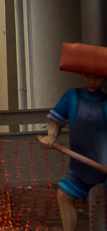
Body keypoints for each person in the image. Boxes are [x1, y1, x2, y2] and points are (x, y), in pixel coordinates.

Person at [39, 69, 107, 231]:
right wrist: (51, 137)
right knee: (64, 196)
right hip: (79, 168)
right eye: (87, 76)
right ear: (81, 75)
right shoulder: (71, 96)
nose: (91, 82)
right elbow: (56, 122)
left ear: (103, 78)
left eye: (96, 78)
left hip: (104, 165)